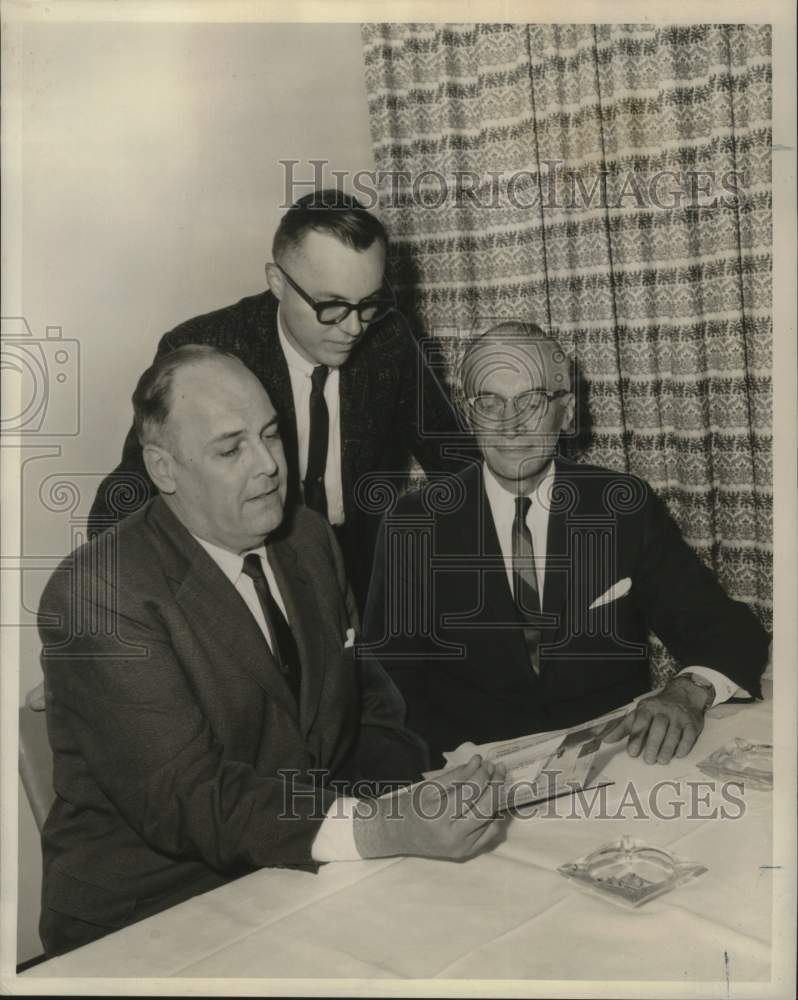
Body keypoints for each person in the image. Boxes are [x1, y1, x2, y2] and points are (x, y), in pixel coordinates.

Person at [38, 346, 503, 957]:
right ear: (163, 468)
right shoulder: (98, 593)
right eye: (231, 450)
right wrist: (381, 827)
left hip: (297, 868)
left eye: (271, 434)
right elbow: (189, 797)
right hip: (158, 912)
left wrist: (420, 792)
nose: (269, 466)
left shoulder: (306, 537)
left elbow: (367, 707)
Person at [362, 322, 769, 766]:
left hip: (612, 765)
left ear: (568, 412)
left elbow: (725, 629)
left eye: (532, 402)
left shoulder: (621, 507)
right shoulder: (414, 523)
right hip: (470, 775)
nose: (510, 425)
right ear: (468, 414)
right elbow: (387, 689)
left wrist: (688, 691)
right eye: (489, 402)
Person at [88, 190, 468, 609]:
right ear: (277, 282)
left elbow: (453, 460)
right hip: (252, 573)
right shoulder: (207, 350)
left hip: (361, 570)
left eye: (369, 304)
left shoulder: (389, 338)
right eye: (332, 306)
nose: (355, 328)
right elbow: (128, 496)